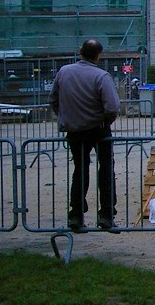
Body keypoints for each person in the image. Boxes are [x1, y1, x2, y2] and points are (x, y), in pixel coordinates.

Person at [49, 39, 121, 232]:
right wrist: (106, 120)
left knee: (80, 170)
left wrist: (67, 117)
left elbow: (54, 100)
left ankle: (76, 215)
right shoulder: (101, 76)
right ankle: (106, 215)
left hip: (74, 130)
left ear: (80, 51)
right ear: (99, 55)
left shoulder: (64, 72)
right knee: (105, 170)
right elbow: (112, 107)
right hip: (98, 128)